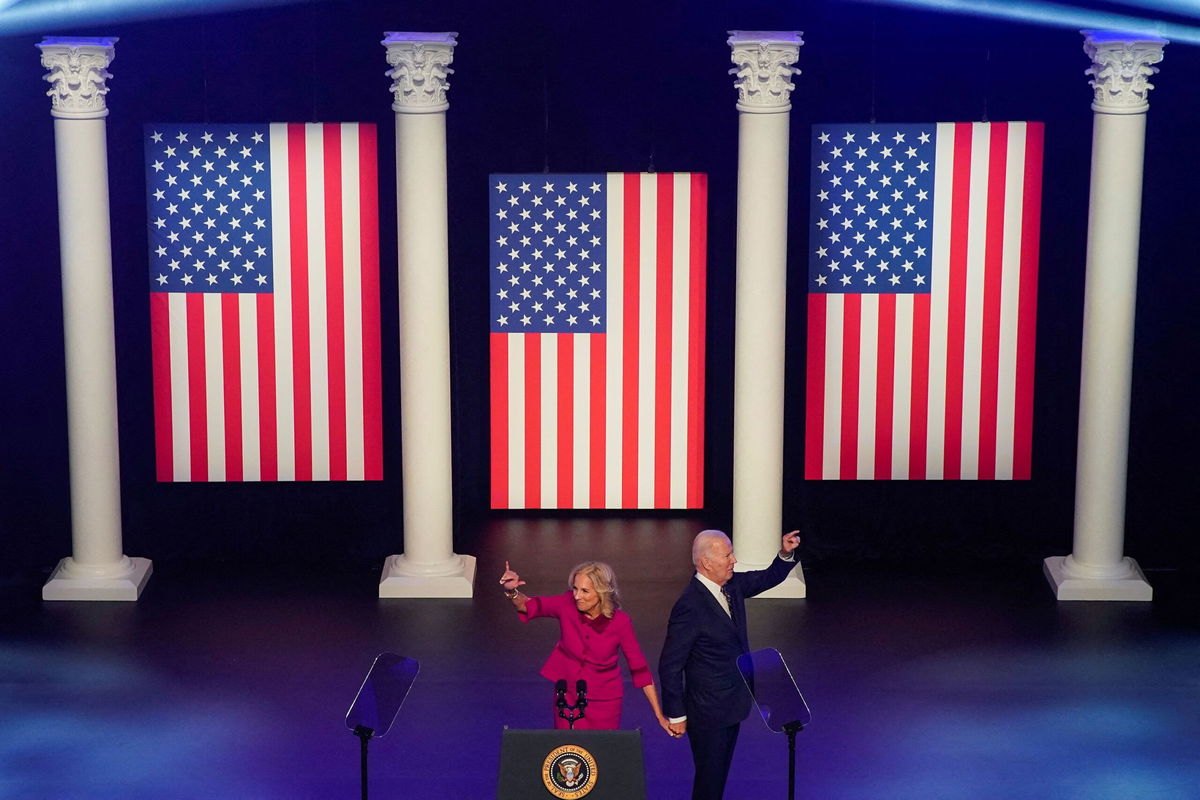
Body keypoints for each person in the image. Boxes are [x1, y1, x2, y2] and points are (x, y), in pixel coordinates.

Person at [658, 529, 801, 800]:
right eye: (727, 555)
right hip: (707, 711)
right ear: (706, 563)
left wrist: (785, 554)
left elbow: (765, 578)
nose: (734, 560)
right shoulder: (690, 606)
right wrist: (676, 714)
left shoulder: (731, 586)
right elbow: (670, 664)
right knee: (709, 781)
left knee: (718, 776)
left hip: (731, 705)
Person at [500, 560, 672, 733]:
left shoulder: (620, 622)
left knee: (600, 754)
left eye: (585, 591)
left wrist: (659, 716)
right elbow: (527, 605)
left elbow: (640, 669)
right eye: (575, 588)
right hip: (567, 697)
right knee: (567, 753)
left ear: (602, 592)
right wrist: (511, 590)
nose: (577, 596)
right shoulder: (566, 604)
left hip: (604, 702)